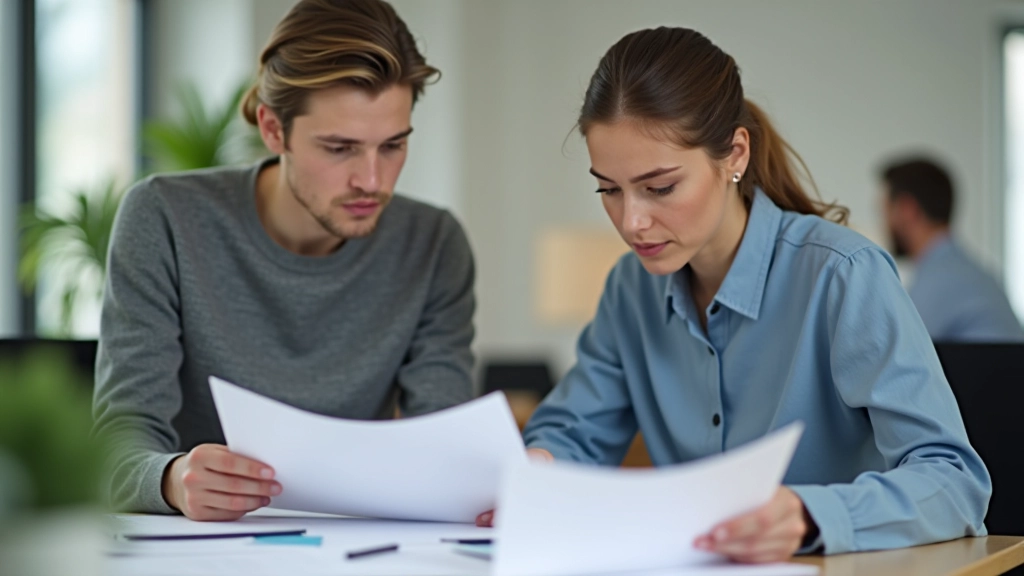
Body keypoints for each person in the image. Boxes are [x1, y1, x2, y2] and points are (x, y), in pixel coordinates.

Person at [479, 27, 991, 562]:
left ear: (735, 155)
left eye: (660, 188)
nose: (631, 222)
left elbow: (956, 483)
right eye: (609, 189)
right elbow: (572, 432)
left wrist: (807, 516)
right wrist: (540, 465)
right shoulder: (630, 291)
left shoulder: (844, 276)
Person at [93, 0, 476, 521]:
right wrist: (171, 479)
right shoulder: (163, 216)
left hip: (355, 546)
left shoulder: (433, 243)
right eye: (339, 148)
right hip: (201, 548)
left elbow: (444, 446)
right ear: (274, 130)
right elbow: (117, 446)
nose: (372, 180)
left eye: (393, 146)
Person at [881, 157, 1024, 342]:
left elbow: (896, 348)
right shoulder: (961, 269)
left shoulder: (941, 277)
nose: (884, 223)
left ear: (908, 209)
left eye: (884, 211)